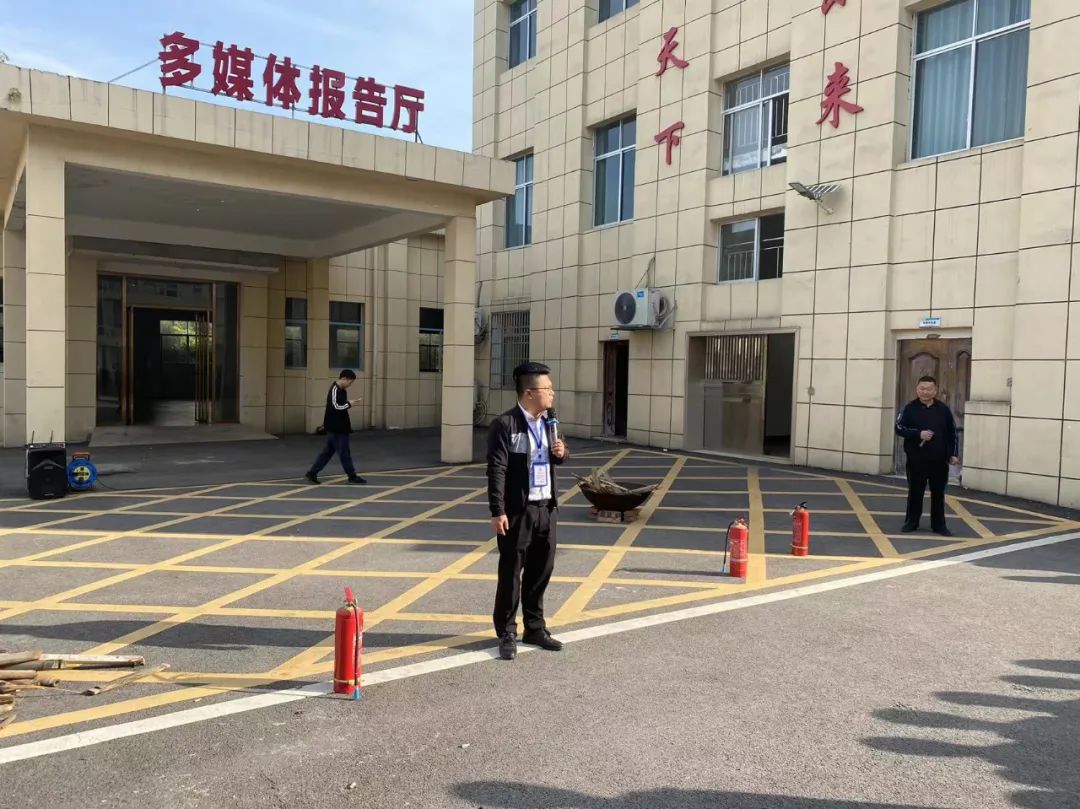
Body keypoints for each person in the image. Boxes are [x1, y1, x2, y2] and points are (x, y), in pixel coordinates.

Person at [486, 361, 568, 661]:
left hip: (546, 507)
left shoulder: (550, 422)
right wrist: (498, 510)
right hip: (518, 511)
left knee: (541, 570)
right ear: (530, 393)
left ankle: (535, 627)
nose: (553, 394)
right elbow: (497, 469)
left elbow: (553, 457)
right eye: (548, 389)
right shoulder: (505, 425)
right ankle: (507, 631)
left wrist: (562, 453)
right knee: (511, 573)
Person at [894, 375, 959, 536]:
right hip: (916, 460)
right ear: (917, 390)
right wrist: (918, 434)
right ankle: (912, 522)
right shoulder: (909, 408)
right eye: (922, 389)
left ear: (935, 391)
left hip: (939, 460)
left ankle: (939, 525)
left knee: (938, 494)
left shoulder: (943, 410)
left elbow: (952, 433)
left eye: (929, 389)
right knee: (915, 492)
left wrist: (953, 454)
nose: (925, 392)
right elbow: (899, 428)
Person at [305, 369, 366, 485]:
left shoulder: (342, 390)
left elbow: (340, 406)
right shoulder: (334, 389)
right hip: (336, 428)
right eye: (350, 382)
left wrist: (348, 403)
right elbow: (336, 407)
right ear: (344, 379)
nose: (350, 385)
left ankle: (312, 472)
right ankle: (352, 476)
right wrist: (349, 404)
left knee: (328, 452)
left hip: (339, 426)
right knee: (344, 453)